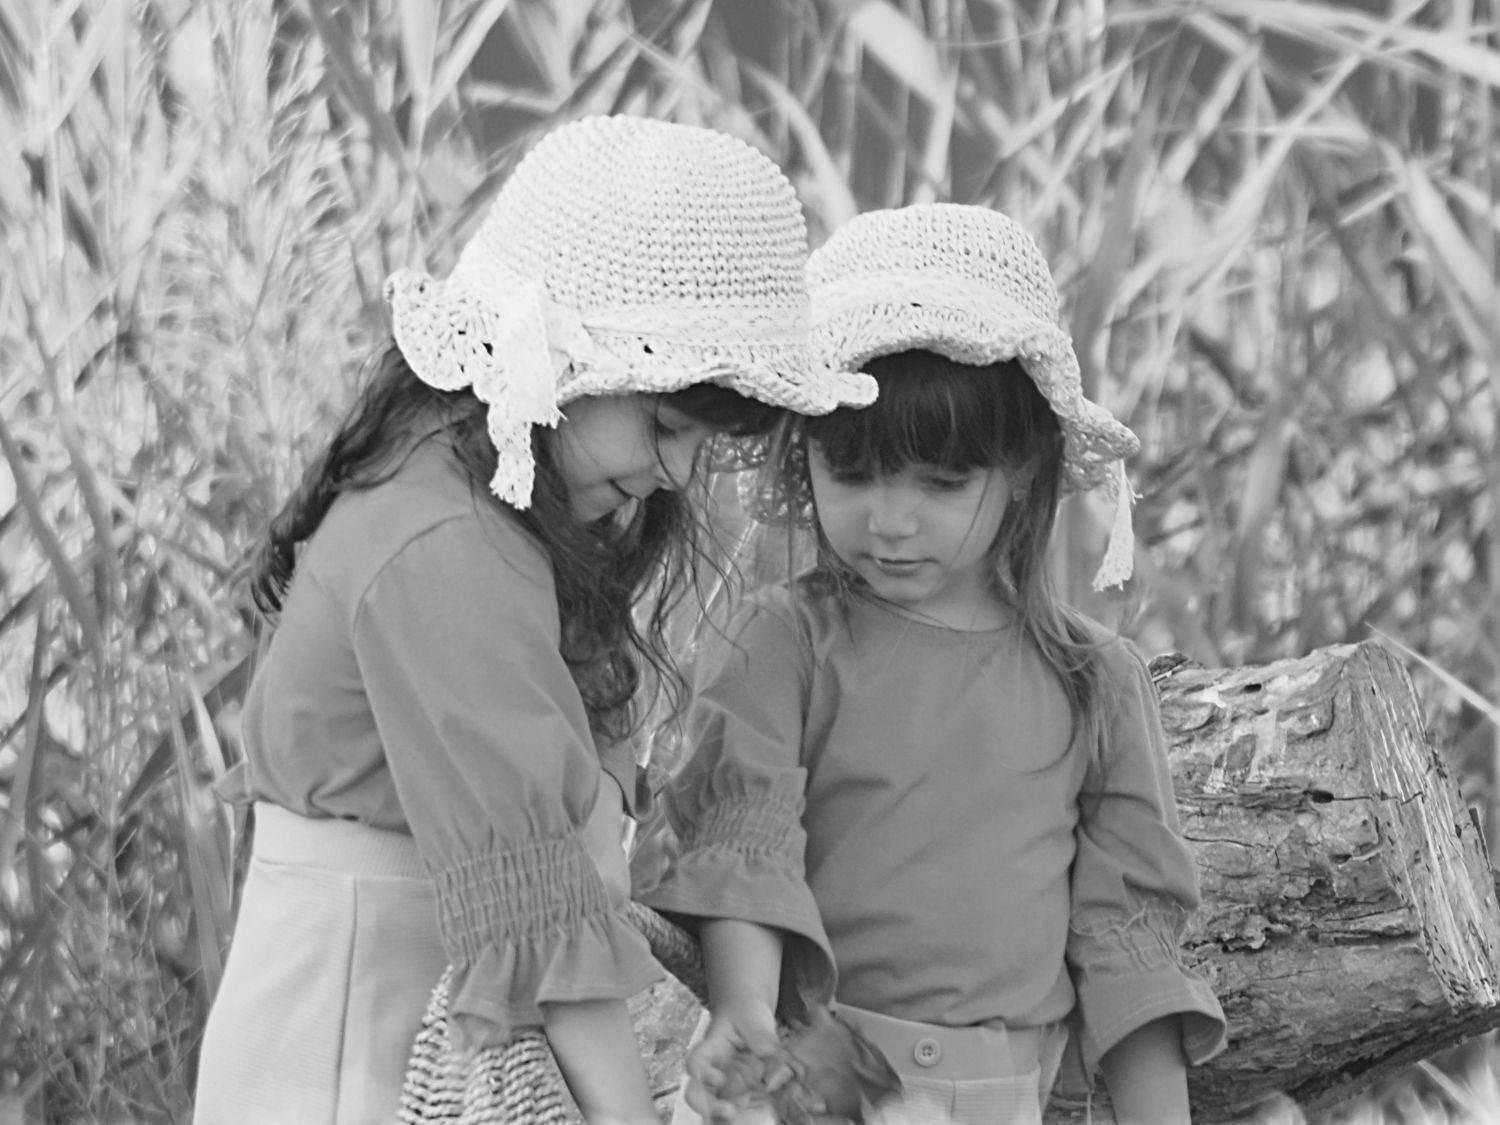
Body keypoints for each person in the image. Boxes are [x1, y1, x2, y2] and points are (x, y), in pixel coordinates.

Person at [192, 115, 877, 1125]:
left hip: (426, 1000)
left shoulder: (495, 509)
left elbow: (564, 862)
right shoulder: (441, 545)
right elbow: (538, 907)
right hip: (351, 1024)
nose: (677, 473)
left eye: (706, 443)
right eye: (670, 424)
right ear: (555, 359)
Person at [639, 203, 1228, 1125]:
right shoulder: (783, 642)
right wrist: (743, 1012)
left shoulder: (1093, 680)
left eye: (942, 483)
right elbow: (743, 841)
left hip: (1002, 1098)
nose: (890, 520)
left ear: (1024, 466)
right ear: (804, 455)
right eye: (852, 473)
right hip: (809, 1084)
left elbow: (1129, 941)